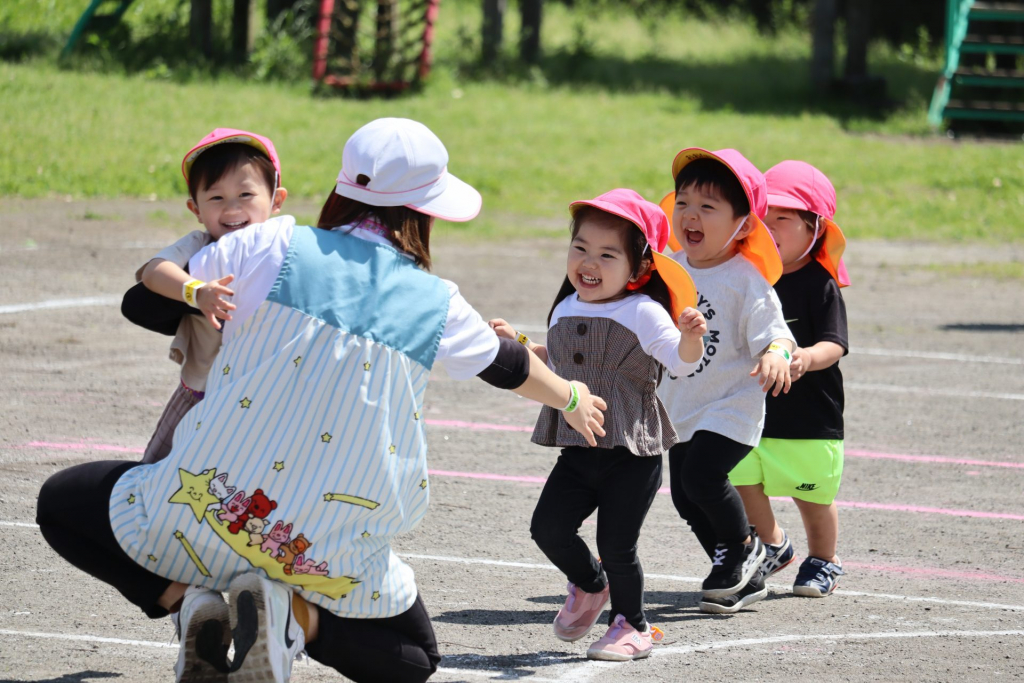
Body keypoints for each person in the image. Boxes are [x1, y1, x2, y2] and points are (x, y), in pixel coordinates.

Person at [36, 118, 607, 683]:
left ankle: (188, 601)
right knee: (413, 656)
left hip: (205, 508)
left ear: (343, 188)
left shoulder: (270, 240)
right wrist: (572, 397)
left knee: (61, 503)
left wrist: (196, 292)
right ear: (423, 212)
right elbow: (507, 366)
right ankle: (295, 619)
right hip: (320, 548)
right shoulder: (438, 303)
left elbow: (146, 298)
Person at [492, 189, 706, 661]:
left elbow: (680, 363)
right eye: (580, 248)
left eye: (608, 254)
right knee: (547, 528)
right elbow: (560, 360)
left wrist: (690, 340)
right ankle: (591, 584)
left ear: (640, 269)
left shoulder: (644, 312)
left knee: (617, 544)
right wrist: (520, 344)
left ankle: (632, 626)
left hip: (633, 454)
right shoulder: (567, 306)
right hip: (578, 448)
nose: (589, 262)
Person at [656, 148, 796, 614]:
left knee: (702, 475)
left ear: (743, 223)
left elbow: (776, 333)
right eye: (683, 203)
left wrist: (776, 355)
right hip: (681, 405)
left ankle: (739, 550)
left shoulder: (746, 279)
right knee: (683, 496)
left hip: (732, 404)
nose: (690, 215)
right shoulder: (669, 268)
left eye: (708, 207)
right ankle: (741, 564)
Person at [121, 128, 288, 464]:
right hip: (200, 390)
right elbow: (154, 273)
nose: (231, 209)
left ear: (276, 199)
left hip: (262, 394)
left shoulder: (284, 245)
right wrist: (196, 292)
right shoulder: (199, 245)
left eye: (245, 195)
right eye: (216, 198)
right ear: (195, 208)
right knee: (158, 467)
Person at [729, 160, 850, 598]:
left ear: (814, 228)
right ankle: (774, 544)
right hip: (750, 408)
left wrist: (806, 358)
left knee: (813, 497)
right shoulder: (748, 276)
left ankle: (824, 559)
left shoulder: (820, 284)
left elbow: (835, 344)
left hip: (808, 416)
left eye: (783, 218)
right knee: (742, 481)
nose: (770, 225)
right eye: (764, 216)